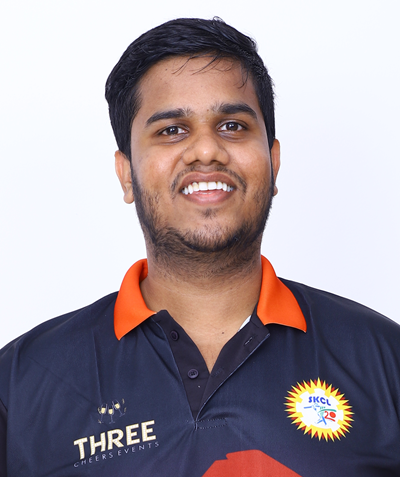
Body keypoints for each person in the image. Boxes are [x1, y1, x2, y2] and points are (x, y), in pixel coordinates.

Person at [0, 17, 399, 477]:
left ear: (274, 162)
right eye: (172, 130)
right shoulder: (22, 382)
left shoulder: (385, 361)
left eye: (232, 125)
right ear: (126, 174)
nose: (206, 150)